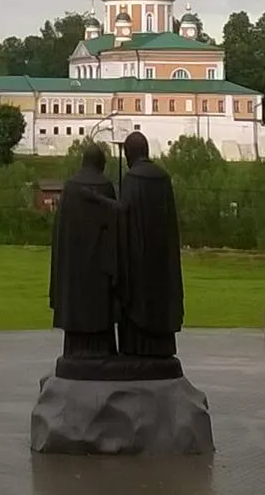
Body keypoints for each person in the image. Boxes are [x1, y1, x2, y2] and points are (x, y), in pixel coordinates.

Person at [111, 129, 184, 358]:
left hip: (138, 260)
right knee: (160, 301)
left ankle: (135, 349)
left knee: (138, 304)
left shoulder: (132, 180)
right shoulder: (163, 178)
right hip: (162, 258)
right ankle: (161, 349)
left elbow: (124, 222)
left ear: (129, 155)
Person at [48, 142, 119, 357]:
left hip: (74, 268)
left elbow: (61, 232)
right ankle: (102, 352)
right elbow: (115, 228)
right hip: (100, 268)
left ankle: (75, 351)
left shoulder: (71, 188)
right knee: (99, 312)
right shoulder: (106, 186)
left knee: (77, 311)